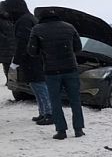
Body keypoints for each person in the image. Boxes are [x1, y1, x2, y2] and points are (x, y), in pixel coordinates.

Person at [27, 7, 85, 140]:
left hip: (51, 71)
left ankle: (61, 131)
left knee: (55, 101)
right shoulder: (69, 27)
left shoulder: (37, 29)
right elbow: (78, 48)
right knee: (75, 99)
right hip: (70, 69)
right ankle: (78, 129)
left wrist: (43, 50)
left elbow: (32, 51)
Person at [3, 0, 51, 124]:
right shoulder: (29, 19)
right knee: (37, 86)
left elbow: (23, 43)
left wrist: (16, 61)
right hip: (35, 58)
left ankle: (49, 113)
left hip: (32, 60)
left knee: (40, 87)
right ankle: (43, 112)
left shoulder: (24, 21)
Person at [0, 3, 14, 81]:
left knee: (13, 63)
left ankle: (12, 79)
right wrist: (6, 38)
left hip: (13, 44)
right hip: (4, 46)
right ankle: (9, 79)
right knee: (7, 63)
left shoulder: (13, 19)